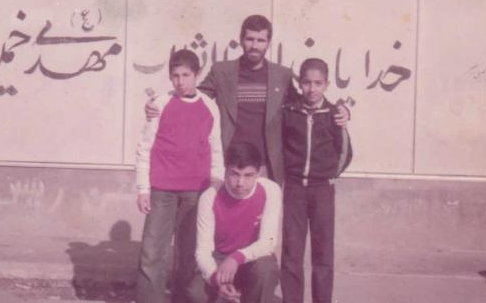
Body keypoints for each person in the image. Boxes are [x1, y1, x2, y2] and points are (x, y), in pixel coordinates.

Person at [146, 14, 349, 185]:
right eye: (250, 39)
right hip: (230, 164)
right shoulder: (221, 71)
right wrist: (159, 104)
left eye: (260, 40)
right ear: (241, 40)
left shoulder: (282, 75)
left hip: (266, 166)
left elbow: (304, 103)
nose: (254, 46)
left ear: (268, 43)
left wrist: (340, 111)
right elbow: (193, 97)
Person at [110, 49, 224, 303]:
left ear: (197, 75)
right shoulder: (160, 104)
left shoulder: (210, 107)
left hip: (196, 193)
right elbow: (145, 148)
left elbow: (216, 151)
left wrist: (215, 189)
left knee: (187, 256)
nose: (180, 81)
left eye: (186, 75)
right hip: (162, 191)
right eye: (175, 75)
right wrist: (143, 189)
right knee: (151, 253)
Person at [187, 142, 282, 303]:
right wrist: (215, 279)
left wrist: (237, 257)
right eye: (234, 174)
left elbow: (268, 242)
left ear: (259, 173)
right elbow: (202, 251)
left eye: (248, 175)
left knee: (266, 269)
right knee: (195, 293)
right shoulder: (210, 196)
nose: (240, 183)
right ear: (225, 171)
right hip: (219, 258)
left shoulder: (270, 190)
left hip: (250, 259)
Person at [279, 58, 353, 303]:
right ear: (300, 83)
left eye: (318, 83)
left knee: (323, 251)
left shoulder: (334, 114)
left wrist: (331, 174)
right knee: (292, 249)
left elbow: (345, 150)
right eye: (307, 82)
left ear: (327, 84)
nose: (312, 89)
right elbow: (280, 144)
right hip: (295, 188)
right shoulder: (289, 111)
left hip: (323, 189)